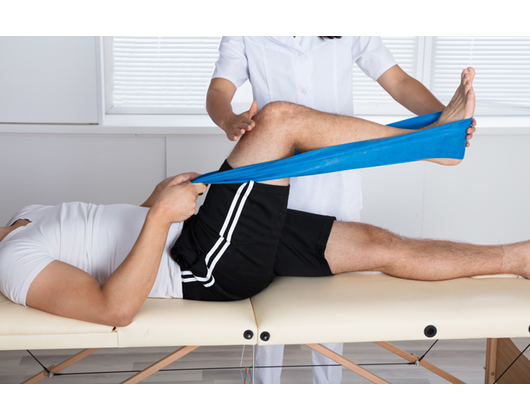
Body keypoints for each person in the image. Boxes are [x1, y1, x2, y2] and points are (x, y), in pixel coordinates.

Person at [3, 69, 522, 357]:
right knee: (279, 122)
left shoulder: (26, 216)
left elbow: (110, 240)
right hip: (201, 263)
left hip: (198, 232)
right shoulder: (12, 263)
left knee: (377, 244)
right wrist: (160, 218)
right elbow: (112, 309)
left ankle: (516, 258)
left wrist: (153, 201)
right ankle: (435, 143)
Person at [206, 36, 477, 383]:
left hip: (334, 183)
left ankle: (328, 379)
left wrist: (450, 123)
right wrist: (228, 119)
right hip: (273, 182)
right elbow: (219, 90)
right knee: (267, 291)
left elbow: (398, 81)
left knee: (330, 302)